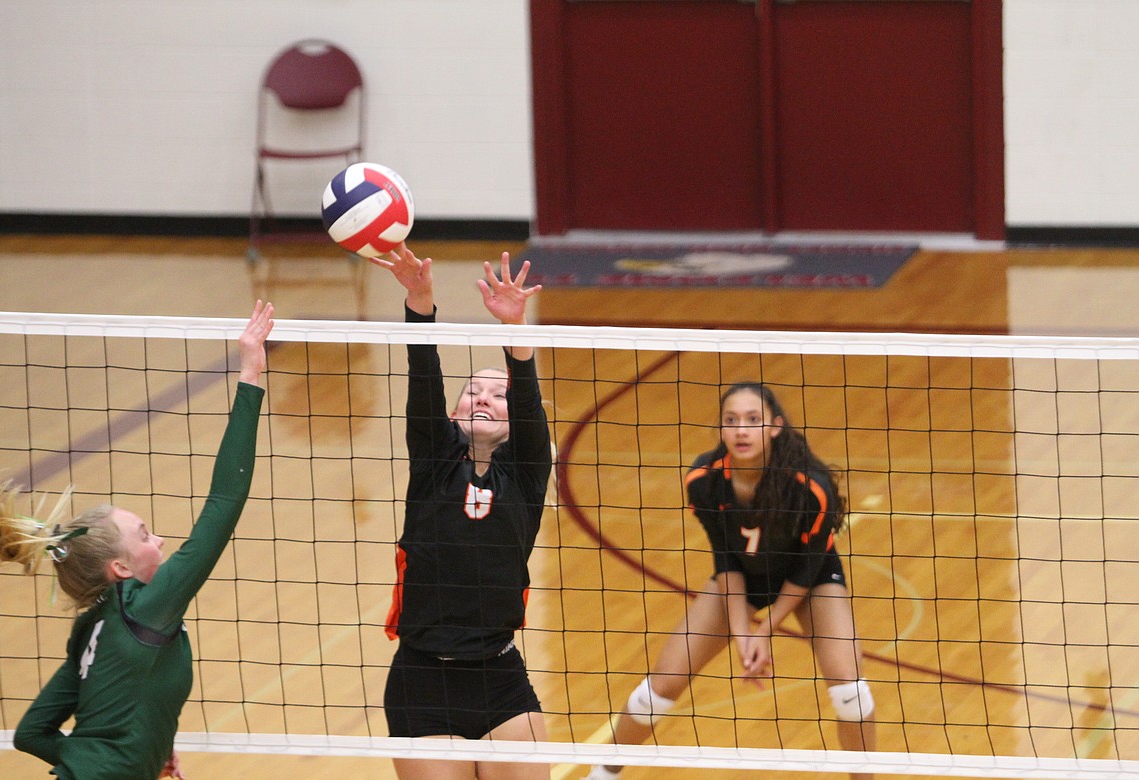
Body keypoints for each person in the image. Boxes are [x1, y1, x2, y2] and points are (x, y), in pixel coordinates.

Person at [0, 300, 274, 780]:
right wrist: (251, 372)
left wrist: (131, 757)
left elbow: (32, 733)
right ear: (122, 568)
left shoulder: (91, 627)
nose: (161, 540)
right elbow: (225, 501)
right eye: (145, 535)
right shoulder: (150, 606)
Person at [587, 382, 877, 780]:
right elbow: (725, 559)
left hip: (808, 581)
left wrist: (766, 630)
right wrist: (743, 635)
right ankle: (602, 774)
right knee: (661, 685)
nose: (741, 430)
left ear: (775, 427)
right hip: (742, 574)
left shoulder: (810, 487)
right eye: (731, 421)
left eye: (753, 420)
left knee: (850, 691)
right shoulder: (704, 480)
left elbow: (808, 568)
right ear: (721, 429)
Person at [370, 244, 552, 780]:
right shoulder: (433, 461)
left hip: (500, 679)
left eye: (498, 395)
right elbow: (422, 374)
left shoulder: (525, 472)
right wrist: (419, 301)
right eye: (472, 389)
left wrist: (515, 328)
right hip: (422, 681)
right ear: (452, 413)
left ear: (514, 419)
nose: (482, 397)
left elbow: (530, 403)